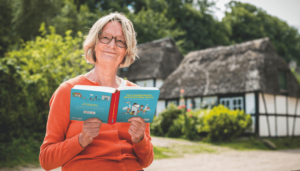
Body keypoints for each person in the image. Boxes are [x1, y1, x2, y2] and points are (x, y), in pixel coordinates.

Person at [39, 12, 153, 171]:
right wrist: (81, 139)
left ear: (126, 50)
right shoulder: (68, 91)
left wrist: (140, 139)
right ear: (94, 43)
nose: (112, 45)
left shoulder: (137, 95)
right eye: (105, 37)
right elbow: (46, 160)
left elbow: (146, 161)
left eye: (120, 41)